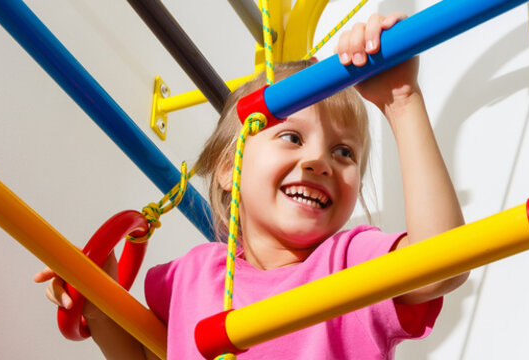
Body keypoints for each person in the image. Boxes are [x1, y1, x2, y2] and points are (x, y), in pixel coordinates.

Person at [35, 12, 467, 359]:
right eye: (292, 138)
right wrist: (100, 308)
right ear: (229, 167)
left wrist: (402, 99)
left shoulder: (349, 263)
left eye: (344, 153)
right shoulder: (192, 276)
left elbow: (441, 263)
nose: (319, 161)